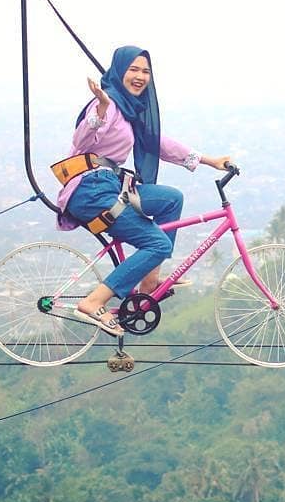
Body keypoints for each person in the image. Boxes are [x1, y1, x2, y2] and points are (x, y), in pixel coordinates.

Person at [56, 46, 231, 335]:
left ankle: (150, 280)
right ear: (119, 71)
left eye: (145, 71)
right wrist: (100, 107)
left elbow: (157, 142)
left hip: (110, 185)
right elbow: (83, 139)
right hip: (91, 190)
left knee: (170, 199)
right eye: (133, 70)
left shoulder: (129, 111)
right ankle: (93, 302)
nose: (140, 76)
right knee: (158, 245)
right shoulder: (109, 105)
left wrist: (211, 161)